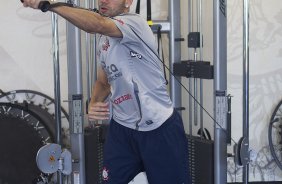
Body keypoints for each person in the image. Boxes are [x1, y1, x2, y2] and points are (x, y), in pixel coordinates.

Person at [22, 0, 190, 183]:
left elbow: (97, 24)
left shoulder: (136, 23)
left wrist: (48, 4)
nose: (103, 0)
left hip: (159, 127)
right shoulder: (104, 42)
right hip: (122, 129)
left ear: (128, 2)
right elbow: (103, 82)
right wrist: (94, 101)